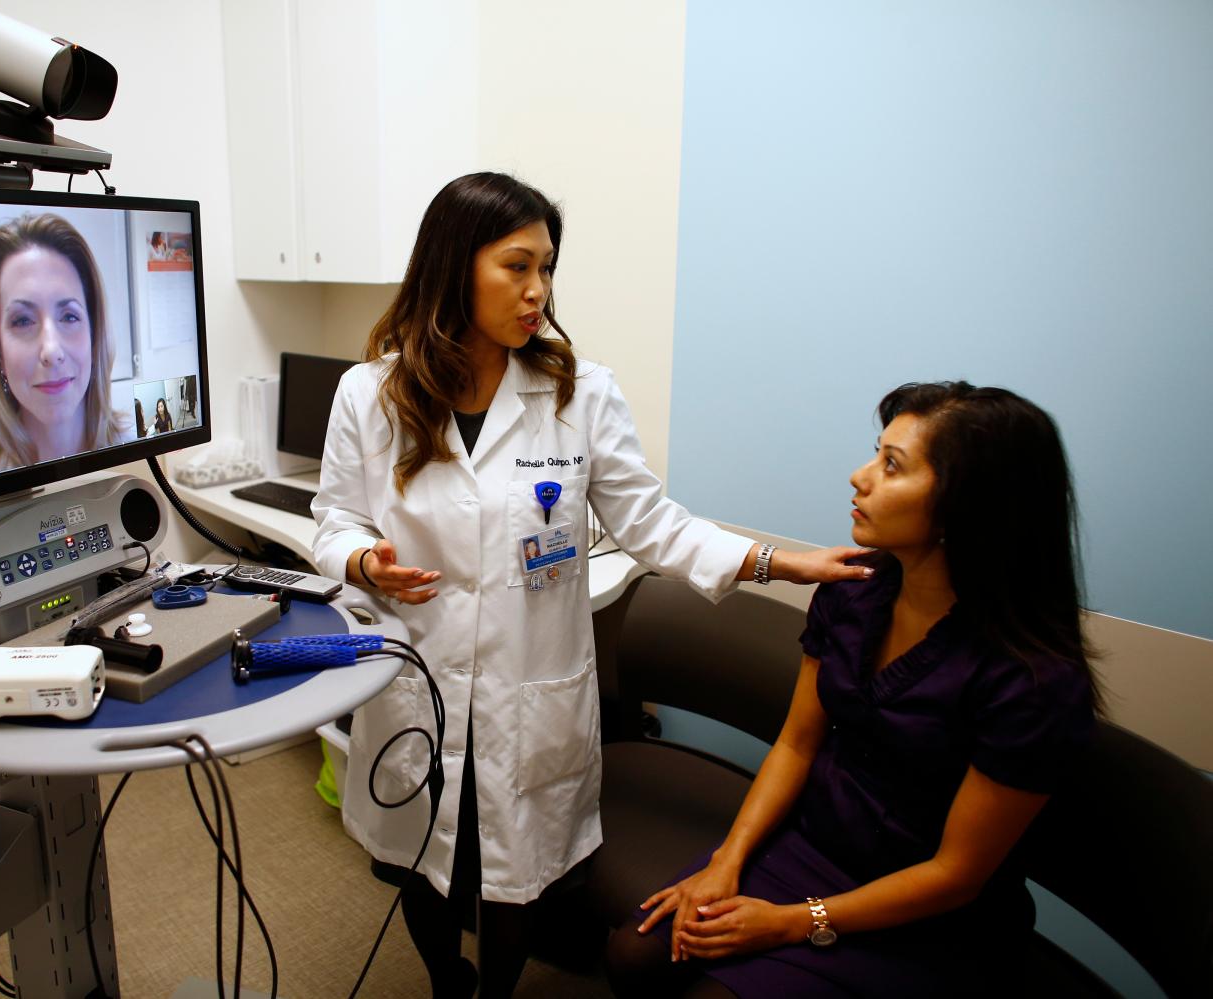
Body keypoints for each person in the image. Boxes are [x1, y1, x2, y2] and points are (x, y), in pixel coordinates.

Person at [310, 172, 868, 998]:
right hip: (417, 677)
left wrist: (779, 562)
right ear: (453, 266)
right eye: (516, 266)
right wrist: (363, 562)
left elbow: (651, 523)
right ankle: (445, 981)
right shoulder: (372, 394)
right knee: (420, 865)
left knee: (513, 876)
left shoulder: (578, 394)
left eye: (548, 268)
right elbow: (333, 519)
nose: (538, 290)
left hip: (527, 691)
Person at [603, 382, 1100, 998]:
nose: (859, 477)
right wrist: (726, 860)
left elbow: (955, 874)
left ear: (966, 507)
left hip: (929, 913)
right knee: (634, 953)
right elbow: (797, 744)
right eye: (876, 454)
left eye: (892, 466)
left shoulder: (1032, 680)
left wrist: (792, 924)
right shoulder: (852, 595)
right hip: (812, 848)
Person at [0, 213, 128, 486]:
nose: (51, 350)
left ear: (94, 336)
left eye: (69, 316)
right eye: (22, 321)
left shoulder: (145, 460)